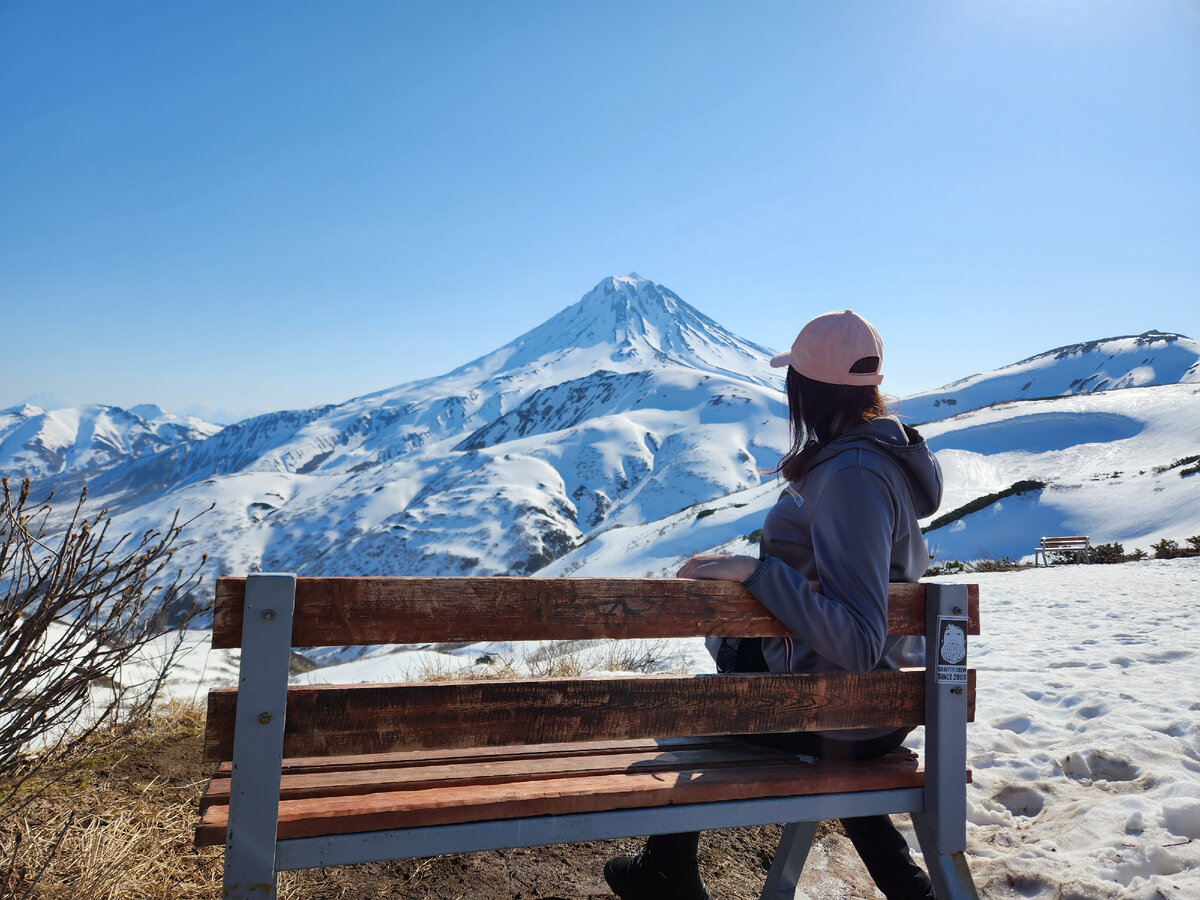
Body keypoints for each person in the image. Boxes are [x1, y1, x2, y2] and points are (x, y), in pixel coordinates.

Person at [603, 310, 944, 900]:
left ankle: (666, 871)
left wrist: (759, 573)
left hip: (848, 707)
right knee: (802, 741)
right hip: (863, 708)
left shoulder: (854, 474)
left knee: (697, 711)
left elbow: (859, 641)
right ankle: (910, 889)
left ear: (807, 387)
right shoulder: (864, 459)